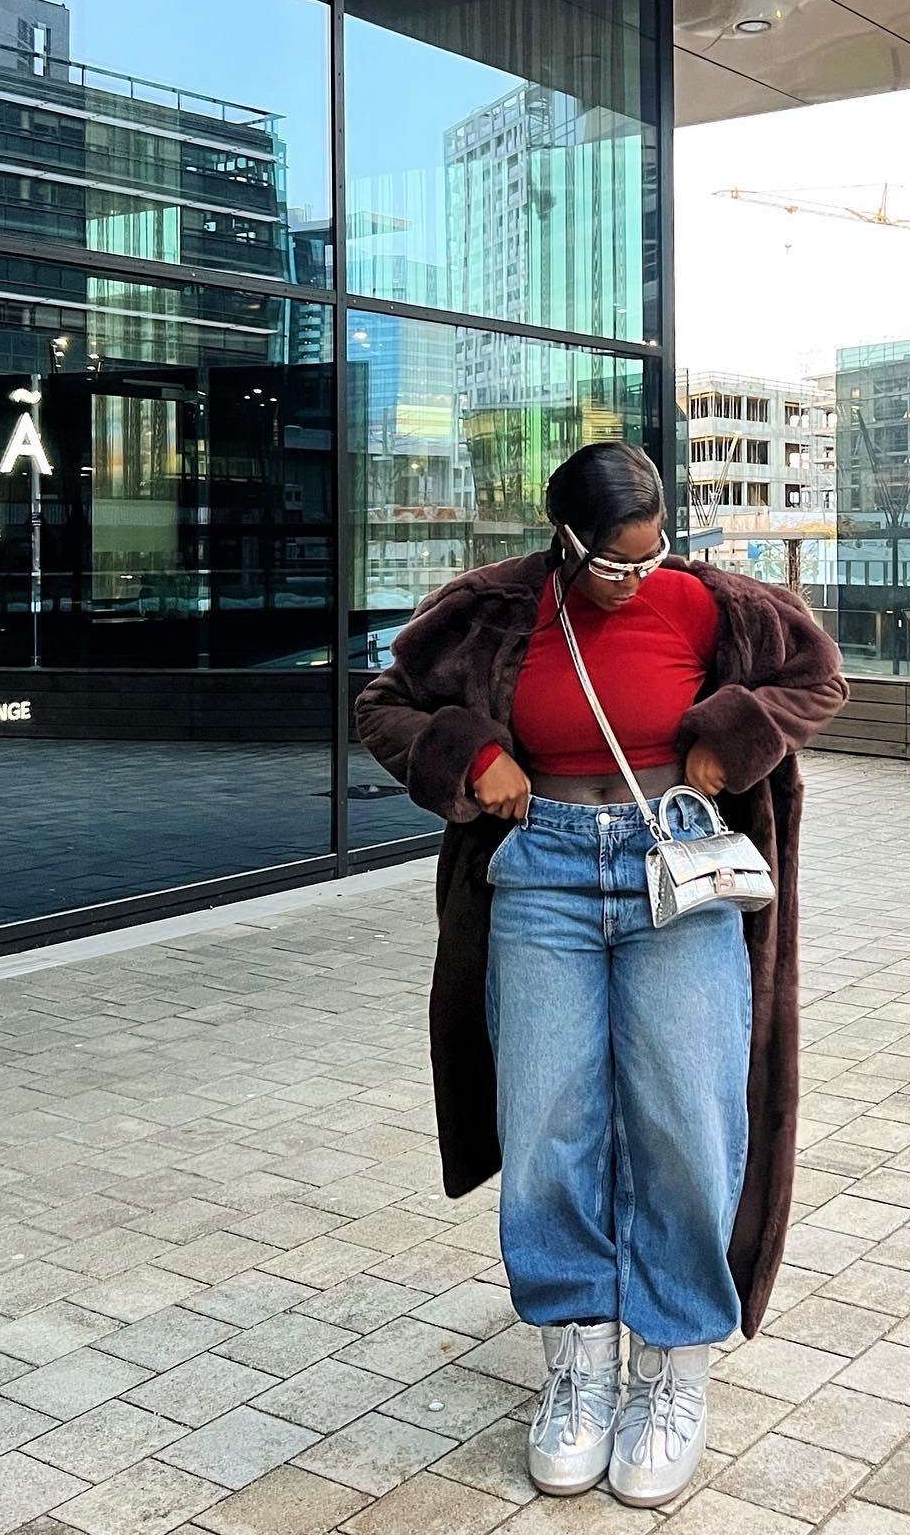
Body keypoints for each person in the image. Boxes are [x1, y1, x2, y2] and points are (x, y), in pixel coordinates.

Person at [355, 442, 846, 1507]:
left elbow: (816, 676)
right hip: (541, 880)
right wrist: (473, 757)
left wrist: (732, 736)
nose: (639, 577)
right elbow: (383, 703)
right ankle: (576, 1368)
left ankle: (671, 1372)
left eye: (653, 552)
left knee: (686, 1122)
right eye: (617, 562)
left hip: (677, 865)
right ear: (566, 540)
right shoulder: (491, 611)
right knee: (546, 1123)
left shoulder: (712, 605)